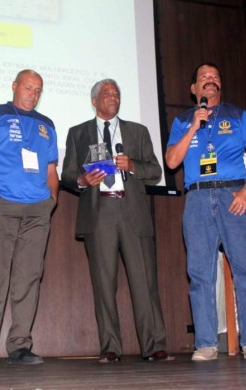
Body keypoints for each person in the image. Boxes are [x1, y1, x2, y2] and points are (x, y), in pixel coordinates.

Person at [61, 79, 173, 363]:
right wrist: (82, 180)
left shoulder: (137, 131)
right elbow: (67, 174)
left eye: (117, 93)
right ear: (94, 101)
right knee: (103, 284)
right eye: (106, 94)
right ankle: (110, 347)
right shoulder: (78, 133)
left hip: (132, 211)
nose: (113, 97)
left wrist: (132, 165)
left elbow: (155, 171)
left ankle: (154, 345)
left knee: (144, 283)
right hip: (99, 215)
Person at [166, 63, 246, 361]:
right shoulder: (183, 120)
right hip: (197, 198)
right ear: (194, 89)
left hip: (233, 195)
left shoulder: (237, 115)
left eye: (215, 77)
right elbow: (172, 161)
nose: (210, 81)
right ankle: (206, 343)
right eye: (203, 78)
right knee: (200, 274)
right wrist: (193, 128)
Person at [0, 69, 58, 367]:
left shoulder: (47, 124)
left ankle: (19, 345)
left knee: (28, 278)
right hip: (1, 206)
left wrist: (51, 200)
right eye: (28, 87)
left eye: (38, 90)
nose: (33, 93)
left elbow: (52, 170)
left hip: (38, 211)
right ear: (15, 86)